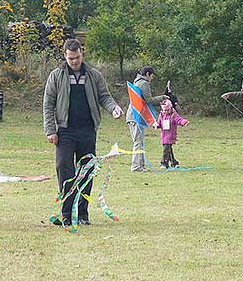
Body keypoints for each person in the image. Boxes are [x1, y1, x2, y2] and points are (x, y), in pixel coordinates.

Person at [43, 39, 123, 226]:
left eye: (77, 57)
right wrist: (50, 130)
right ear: (65, 56)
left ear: (82, 54)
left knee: (87, 172)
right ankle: (66, 214)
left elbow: (104, 96)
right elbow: (48, 104)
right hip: (65, 131)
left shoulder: (94, 75)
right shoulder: (56, 76)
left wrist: (113, 108)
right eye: (71, 58)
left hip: (87, 130)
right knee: (65, 168)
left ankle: (83, 214)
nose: (74, 61)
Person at [126, 66, 168, 172]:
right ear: (148, 74)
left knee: (139, 141)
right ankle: (136, 167)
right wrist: (162, 97)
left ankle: (141, 166)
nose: (152, 78)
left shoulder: (137, 81)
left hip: (133, 116)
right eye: (152, 76)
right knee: (138, 142)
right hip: (136, 117)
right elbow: (149, 100)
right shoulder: (144, 83)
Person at [153, 99, 189, 168]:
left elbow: (179, 120)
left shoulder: (174, 115)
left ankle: (164, 163)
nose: (166, 112)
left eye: (167, 110)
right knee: (169, 150)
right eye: (164, 110)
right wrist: (156, 125)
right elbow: (159, 123)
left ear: (171, 108)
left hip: (171, 135)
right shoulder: (161, 115)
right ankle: (174, 163)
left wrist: (184, 122)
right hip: (163, 136)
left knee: (166, 150)